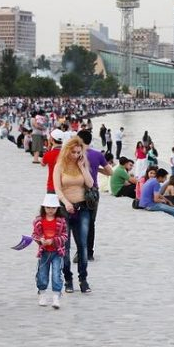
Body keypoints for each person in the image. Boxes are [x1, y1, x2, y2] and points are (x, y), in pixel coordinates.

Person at [53, 136, 95, 294]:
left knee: (83, 245)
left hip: (82, 207)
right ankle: (68, 279)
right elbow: (57, 189)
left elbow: (90, 184)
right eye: (74, 152)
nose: (76, 155)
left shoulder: (81, 163)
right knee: (65, 246)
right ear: (67, 150)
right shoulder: (60, 166)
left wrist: (82, 166)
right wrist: (66, 202)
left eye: (79, 152)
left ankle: (83, 279)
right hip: (64, 208)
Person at [76, 130, 112, 262]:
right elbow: (110, 172)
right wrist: (97, 169)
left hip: (77, 189)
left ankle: (80, 250)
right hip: (93, 191)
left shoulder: (75, 154)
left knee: (77, 221)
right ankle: (89, 253)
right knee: (91, 222)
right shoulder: (97, 154)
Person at [33, 193, 68, 309]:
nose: (50, 210)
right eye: (48, 207)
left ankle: (56, 296)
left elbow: (65, 236)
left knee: (57, 274)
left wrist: (54, 241)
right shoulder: (38, 221)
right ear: (43, 208)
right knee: (42, 273)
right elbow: (35, 235)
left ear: (57, 208)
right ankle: (42, 293)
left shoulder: (61, 221)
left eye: (53, 208)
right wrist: (40, 240)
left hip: (57, 252)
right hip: (44, 252)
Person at [41, 129, 64, 193]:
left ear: (52, 140)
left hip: (52, 186)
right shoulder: (67, 153)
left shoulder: (49, 154)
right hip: (65, 186)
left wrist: (48, 147)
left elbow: (42, 163)